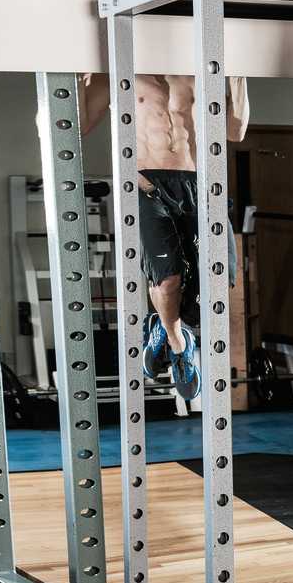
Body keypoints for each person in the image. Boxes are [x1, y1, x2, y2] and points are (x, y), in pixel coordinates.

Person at [79, 74, 249, 400]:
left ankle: (164, 322)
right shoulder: (119, 70)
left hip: (199, 184)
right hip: (145, 185)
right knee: (167, 279)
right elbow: (79, 125)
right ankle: (176, 341)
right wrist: (75, 73)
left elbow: (235, 130)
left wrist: (238, 74)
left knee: (218, 280)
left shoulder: (199, 67)